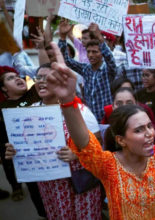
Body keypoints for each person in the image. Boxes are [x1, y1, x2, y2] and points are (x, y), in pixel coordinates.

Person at [44, 41, 155, 218]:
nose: (149, 134)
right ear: (121, 139)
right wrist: (68, 100)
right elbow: (85, 143)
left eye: (148, 126)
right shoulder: (108, 165)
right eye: (138, 130)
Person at [5, 63, 102, 219]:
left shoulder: (80, 111)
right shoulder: (30, 112)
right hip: (49, 186)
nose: (41, 81)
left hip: (79, 184)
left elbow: (99, 143)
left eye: (47, 77)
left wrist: (76, 154)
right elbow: (27, 144)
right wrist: (16, 151)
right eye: (39, 77)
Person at [0, 66, 46, 217]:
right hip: (26, 162)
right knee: (37, 195)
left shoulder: (35, 93)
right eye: (10, 78)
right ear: (3, 89)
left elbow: (43, 75)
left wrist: (41, 48)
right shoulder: (2, 109)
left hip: (48, 157)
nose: (17, 78)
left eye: (17, 75)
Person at [58, 20, 116, 121]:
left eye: (95, 52)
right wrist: (63, 37)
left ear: (102, 53)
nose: (91, 55)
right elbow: (66, 60)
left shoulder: (107, 70)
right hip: (91, 120)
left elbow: (110, 59)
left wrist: (99, 38)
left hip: (108, 120)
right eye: (88, 52)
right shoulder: (86, 69)